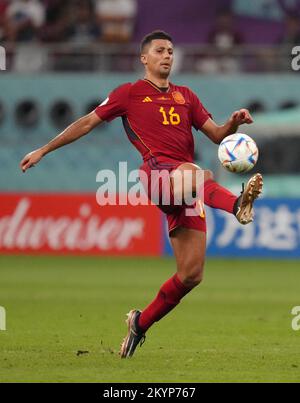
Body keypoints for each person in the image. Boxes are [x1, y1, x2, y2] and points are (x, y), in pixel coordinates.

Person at [20, 30, 263, 359]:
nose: (167, 56)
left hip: (187, 185)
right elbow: (87, 123)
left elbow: (218, 136)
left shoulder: (186, 96)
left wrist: (233, 123)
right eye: (160, 50)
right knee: (195, 173)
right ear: (144, 58)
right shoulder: (129, 93)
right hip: (158, 172)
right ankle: (237, 205)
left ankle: (139, 323)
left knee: (191, 274)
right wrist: (44, 149)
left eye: (171, 51)